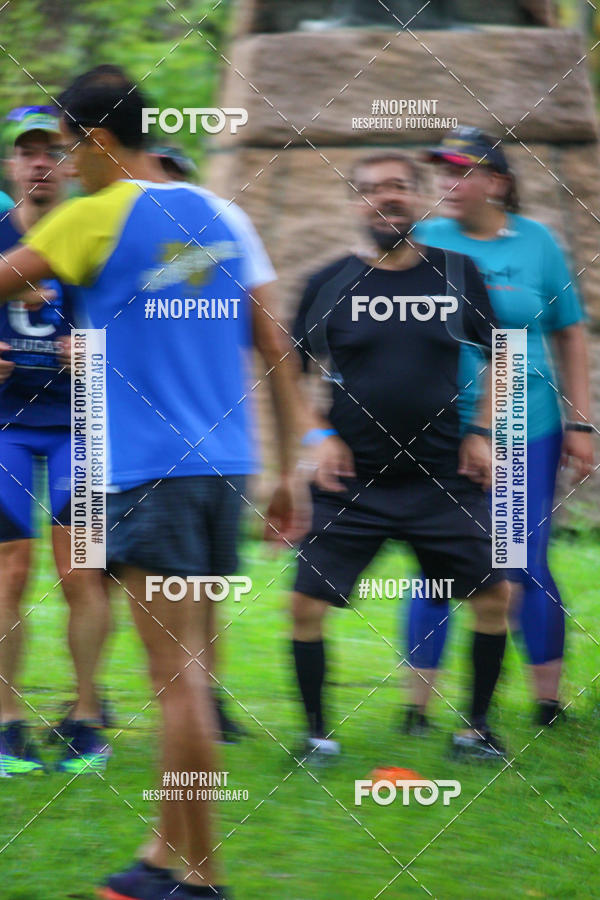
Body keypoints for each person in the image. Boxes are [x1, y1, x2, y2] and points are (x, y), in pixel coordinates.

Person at [0, 65, 300, 900]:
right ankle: (161, 859)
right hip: (224, 473)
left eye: (66, 150)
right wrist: (293, 465)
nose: (58, 167)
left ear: (98, 142)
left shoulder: (92, 217)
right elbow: (275, 343)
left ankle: (202, 879)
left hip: (146, 475)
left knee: (177, 688)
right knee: (190, 675)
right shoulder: (226, 217)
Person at [290, 150, 510, 764]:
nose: (386, 198)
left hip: (444, 477)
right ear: (355, 202)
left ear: (419, 198)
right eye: (371, 190)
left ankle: (478, 731)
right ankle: (315, 736)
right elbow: (287, 372)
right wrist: (316, 437)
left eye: (398, 188)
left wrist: (484, 433)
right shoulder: (327, 282)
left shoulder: (459, 273)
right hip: (351, 480)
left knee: (494, 597)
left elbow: (506, 354)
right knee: (306, 605)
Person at [405, 127, 594, 730]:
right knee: (436, 562)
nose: (448, 184)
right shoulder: (424, 239)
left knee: (520, 560)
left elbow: (568, 331)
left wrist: (580, 422)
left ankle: (545, 701)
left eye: (461, 172)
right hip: (440, 428)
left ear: (498, 182)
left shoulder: (537, 244)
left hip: (522, 421)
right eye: (442, 172)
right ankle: (417, 709)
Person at [0, 106, 110, 776]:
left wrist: (93, 354)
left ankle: (86, 717)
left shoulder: (97, 240)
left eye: (52, 151)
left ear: (71, 163)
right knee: (10, 570)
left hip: (83, 426)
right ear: (13, 165)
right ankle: (8, 722)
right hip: (5, 426)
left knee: (83, 573)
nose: (41, 163)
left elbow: (138, 331)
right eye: (27, 152)